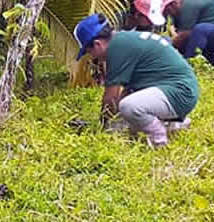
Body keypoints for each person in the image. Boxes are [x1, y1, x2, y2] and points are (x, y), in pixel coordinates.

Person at [74, 13, 200, 147]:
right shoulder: (124, 40)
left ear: (97, 44)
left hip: (179, 92)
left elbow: (111, 98)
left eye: (89, 52)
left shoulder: (117, 48)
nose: (93, 57)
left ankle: (159, 138)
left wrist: (102, 127)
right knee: (124, 117)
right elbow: (124, 95)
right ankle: (176, 123)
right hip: (179, 89)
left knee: (129, 107)